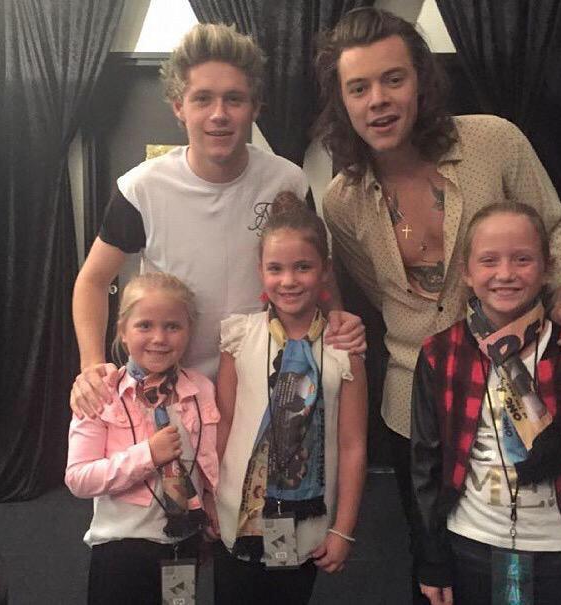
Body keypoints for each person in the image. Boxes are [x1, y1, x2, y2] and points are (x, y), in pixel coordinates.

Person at [314, 4, 561, 530]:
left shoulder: (494, 141)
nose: (378, 99)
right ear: (343, 101)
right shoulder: (342, 200)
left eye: (393, 79)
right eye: (358, 88)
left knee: (523, 535)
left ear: (421, 83)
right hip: (413, 399)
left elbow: (554, 228)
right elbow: (381, 291)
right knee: (430, 550)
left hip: (518, 383)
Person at [71, 22, 364, 419]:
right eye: (203, 99)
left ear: (255, 107)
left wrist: (337, 317)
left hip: (263, 388)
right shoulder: (141, 189)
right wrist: (91, 365)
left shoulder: (287, 181)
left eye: (234, 99)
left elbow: (315, 267)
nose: (219, 114)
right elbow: (92, 280)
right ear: (179, 106)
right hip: (172, 394)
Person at [410, 202, 561, 605]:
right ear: (467, 273)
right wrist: (432, 559)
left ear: (546, 268)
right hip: (471, 543)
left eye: (522, 259)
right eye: (489, 260)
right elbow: (426, 466)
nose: (505, 273)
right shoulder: (442, 354)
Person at [213, 192, 367, 604]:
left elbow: (353, 445)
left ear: (325, 270)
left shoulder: (344, 348)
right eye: (275, 269)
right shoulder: (239, 338)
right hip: (236, 511)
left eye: (303, 267)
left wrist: (343, 528)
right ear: (260, 271)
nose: (289, 280)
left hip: (307, 523)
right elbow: (223, 423)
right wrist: (207, 497)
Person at [65, 273, 221, 604]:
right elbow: (78, 478)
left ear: (189, 331)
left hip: (183, 544)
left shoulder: (201, 390)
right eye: (145, 326)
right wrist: (147, 455)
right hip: (122, 548)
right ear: (123, 331)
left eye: (172, 326)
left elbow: (208, 462)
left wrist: (211, 504)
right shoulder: (101, 394)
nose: (159, 338)